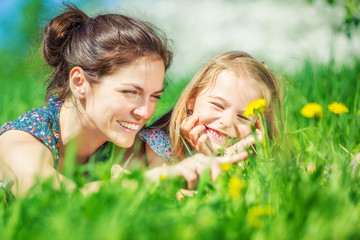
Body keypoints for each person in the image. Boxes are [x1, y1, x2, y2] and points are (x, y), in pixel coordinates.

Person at [0, 5, 247, 197]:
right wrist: (155, 180)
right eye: (130, 92)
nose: (144, 112)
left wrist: (209, 154)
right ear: (79, 83)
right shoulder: (21, 142)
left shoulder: (124, 149)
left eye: (154, 97)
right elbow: (53, 199)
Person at [140, 51, 283, 170]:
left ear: (259, 125)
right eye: (218, 105)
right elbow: (168, 194)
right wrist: (209, 161)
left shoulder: (254, 155)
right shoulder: (162, 143)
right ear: (191, 99)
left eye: (243, 117)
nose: (227, 122)